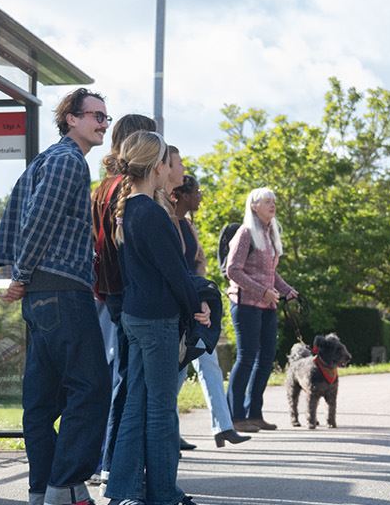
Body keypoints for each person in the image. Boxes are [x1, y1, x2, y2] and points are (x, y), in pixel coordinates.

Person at [0, 88, 109, 505]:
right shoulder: (67, 162)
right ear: (70, 118)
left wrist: (23, 276)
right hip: (62, 292)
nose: (103, 123)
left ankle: (42, 490)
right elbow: (38, 220)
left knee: (41, 402)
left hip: (44, 297)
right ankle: (65, 488)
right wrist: (20, 273)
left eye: (105, 117)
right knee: (91, 388)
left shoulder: (49, 159)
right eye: (95, 115)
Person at [108, 131, 209, 505]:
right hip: (156, 322)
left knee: (136, 405)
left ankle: (125, 490)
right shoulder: (151, 213)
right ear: (155, 166)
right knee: (162, 412)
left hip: (136, 318)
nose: (172, 168)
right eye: (169, 161)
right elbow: (175, 273)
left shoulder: (129, 209)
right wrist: (197, 308)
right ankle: (164, 493)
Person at [92, 114, 157, 480]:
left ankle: (109, 458)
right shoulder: (127, 188)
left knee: (123, 376)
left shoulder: (102, 186)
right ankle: (114, 461)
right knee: (130, 381)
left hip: (109, 290)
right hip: (128, 292)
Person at [169, 174, 251, 448]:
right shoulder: (167, 221)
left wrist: (203, 296)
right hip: (179, 308)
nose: (201, 195)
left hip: (197, 305)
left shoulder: (188, 225)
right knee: (177, 372)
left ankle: (223, 426)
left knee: (209, 364)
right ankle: (169, 429)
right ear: (182, 194)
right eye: (197, 191)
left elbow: (198, 263)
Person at [225, 187, 298, 434]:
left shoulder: (270, 233)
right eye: (267, 200)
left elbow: (269, 273)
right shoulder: (245, 233)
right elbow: (233, 270)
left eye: (273, 201)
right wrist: (262, 291)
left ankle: (254, 414)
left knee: (266, 358)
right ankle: (234, 416)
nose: (272, 204)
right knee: (246, 358)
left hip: (268, 304)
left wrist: (287, 290)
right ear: (254, 206)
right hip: (245, 304)